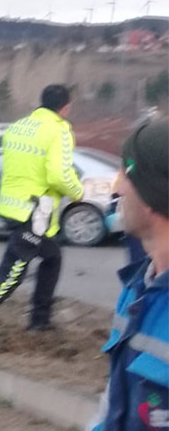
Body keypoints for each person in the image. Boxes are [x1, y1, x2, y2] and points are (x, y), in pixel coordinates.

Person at [0, 84, 84, 357]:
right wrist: (78, 191)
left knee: (52, 257)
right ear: (65, 107)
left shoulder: (18, 127)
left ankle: (39, 321)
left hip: (13, 207)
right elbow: (58, 174)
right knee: (10, 275)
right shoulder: (59, 130)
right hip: (33, 213)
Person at [87, 120, 168, 431]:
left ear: (153, 195)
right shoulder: (137, 289)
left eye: (126, 175)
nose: (117, 188)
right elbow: (112, 406)